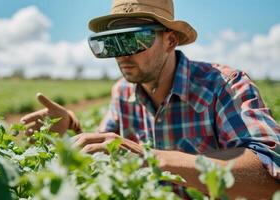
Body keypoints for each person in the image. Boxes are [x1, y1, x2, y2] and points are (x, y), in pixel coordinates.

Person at [21, 0, 280, 198]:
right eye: (111, 43)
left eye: (132, 39)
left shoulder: (224, 85)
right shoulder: (122, 92)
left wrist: (151, 158)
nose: (121, 55)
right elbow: (103, 150)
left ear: (170, 40)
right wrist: (70, 130)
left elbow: (269, 176)